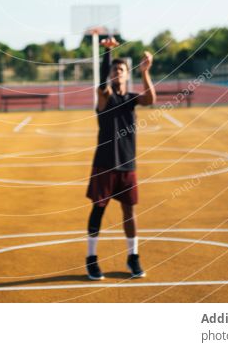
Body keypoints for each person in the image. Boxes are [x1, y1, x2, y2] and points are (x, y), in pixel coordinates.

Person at [85, 36, 155, 280]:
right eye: (115, 69)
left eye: (121, 69)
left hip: (127, 163)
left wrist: (145, 72)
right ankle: (91, 259)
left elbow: (151, 100)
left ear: (127, 74)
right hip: (104, 164)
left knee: (129, 211)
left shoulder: (131, 99)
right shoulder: (105, 96)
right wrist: (107, 53)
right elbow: (102, 83)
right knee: (98, 210)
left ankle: (133, 257)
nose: (117, 72)